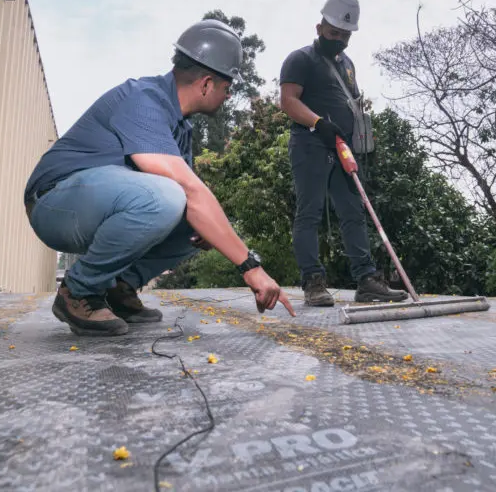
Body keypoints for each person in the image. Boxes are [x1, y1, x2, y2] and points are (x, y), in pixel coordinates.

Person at [24, 19, 295, 336]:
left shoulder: (180, 128)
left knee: (200, 224)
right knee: (170, 197)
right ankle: (79, 289)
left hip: (90, 205)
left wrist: (216, 235)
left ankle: (119, 287)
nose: (228, 94)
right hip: (53, 203)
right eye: (227, 87)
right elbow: (187, 191)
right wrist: (251, 269)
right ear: (206, 83)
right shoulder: (144, 99)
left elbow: (198, 205)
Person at [278, 0, 408, 307]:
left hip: (345, 149)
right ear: (320, 27)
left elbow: (351, 101)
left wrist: (359, 140)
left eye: (345, 35)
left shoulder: (347, 64)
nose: (339, 39)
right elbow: (288, 101)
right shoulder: (300, 59)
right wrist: (319, 123)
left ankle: (366, 280)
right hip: (311, 144)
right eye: (334, 32)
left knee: (353, 211)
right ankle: (314, 282)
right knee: (308, 213)